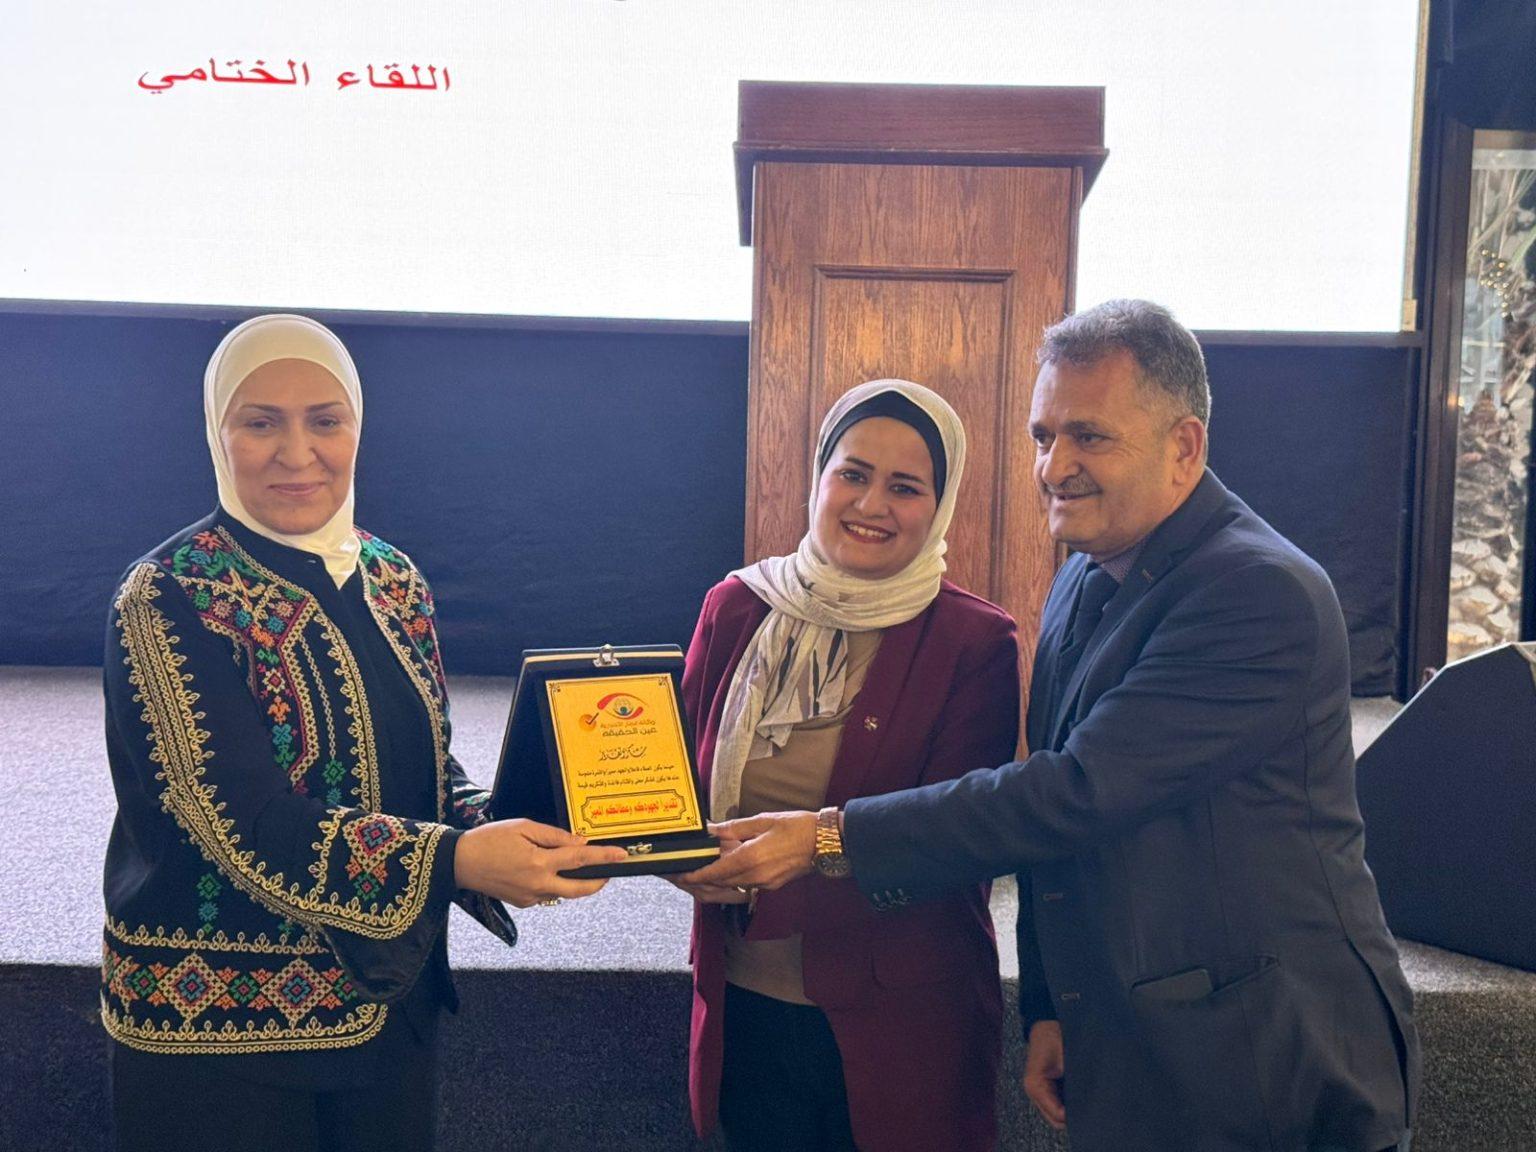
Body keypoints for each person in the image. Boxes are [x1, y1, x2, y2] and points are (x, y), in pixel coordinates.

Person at [690, 301, 1422, 1152]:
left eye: (1089, 437)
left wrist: (827, 836)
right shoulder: (1087, 573)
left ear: (1184, 447)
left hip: (1265, 1059)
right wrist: (1047, 1002)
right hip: (1127, 1035)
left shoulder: (1258, 592)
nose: (1054, 467)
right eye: (1043, 437)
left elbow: (1073, 793)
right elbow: (1059, 846)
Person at [101, 314, 627, 1152]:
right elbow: (234, 823)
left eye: (325, 420)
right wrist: (455, 860)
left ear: (358, 427)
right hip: (220, 1039)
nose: (297, 452)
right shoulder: (169, 596)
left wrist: (515, 823)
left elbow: (423, 763)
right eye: (260, 422)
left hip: (388, 1007)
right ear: (216, 433)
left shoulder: (391, 577)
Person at [672, 379, 1020, 1152]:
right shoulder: (736, 607)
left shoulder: (973, 643)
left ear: (941, 504)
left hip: (900, 1025)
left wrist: (812, 849)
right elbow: (675, 786)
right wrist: (670, 856)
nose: (871, 504)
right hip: (743, 1002)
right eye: (853, 474)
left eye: (905, 487)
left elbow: (959, 842)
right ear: (819, 477)